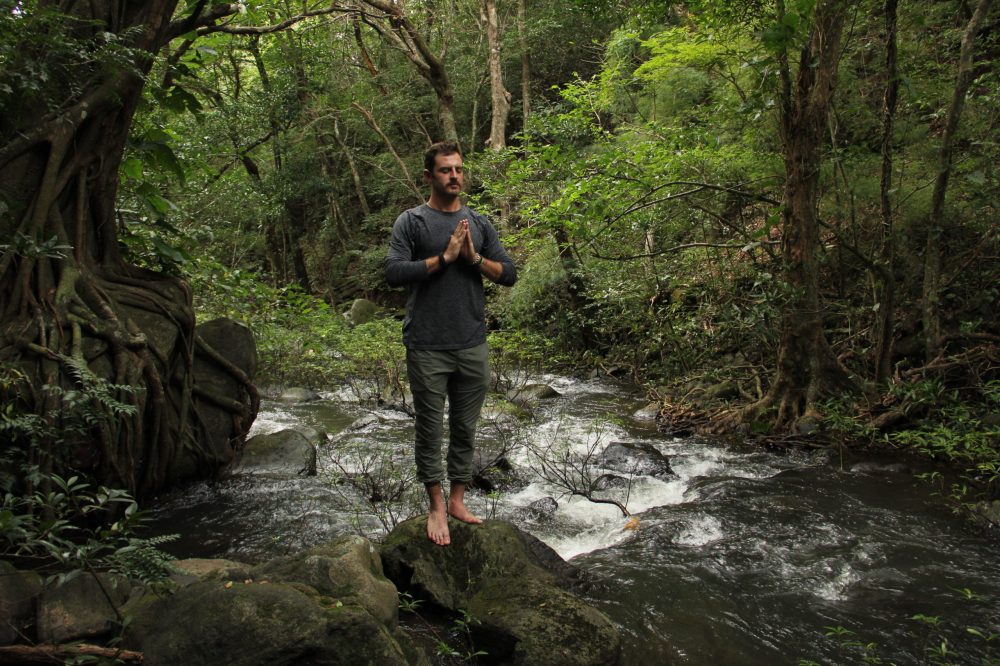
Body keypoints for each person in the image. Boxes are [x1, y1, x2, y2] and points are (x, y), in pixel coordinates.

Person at [385, 141, 517, 546]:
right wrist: (444, 257)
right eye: (446, 170)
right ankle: (436, 506)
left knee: (465, 427)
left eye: (459, 170)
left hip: (471, 341)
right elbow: (393, 272)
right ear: (429, 176)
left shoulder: (478, 222)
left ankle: (458, 499)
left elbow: (508, 274)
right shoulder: (412, 222)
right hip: (426, 343)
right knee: (429, 428)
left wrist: (473, 259)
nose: (455, 176)